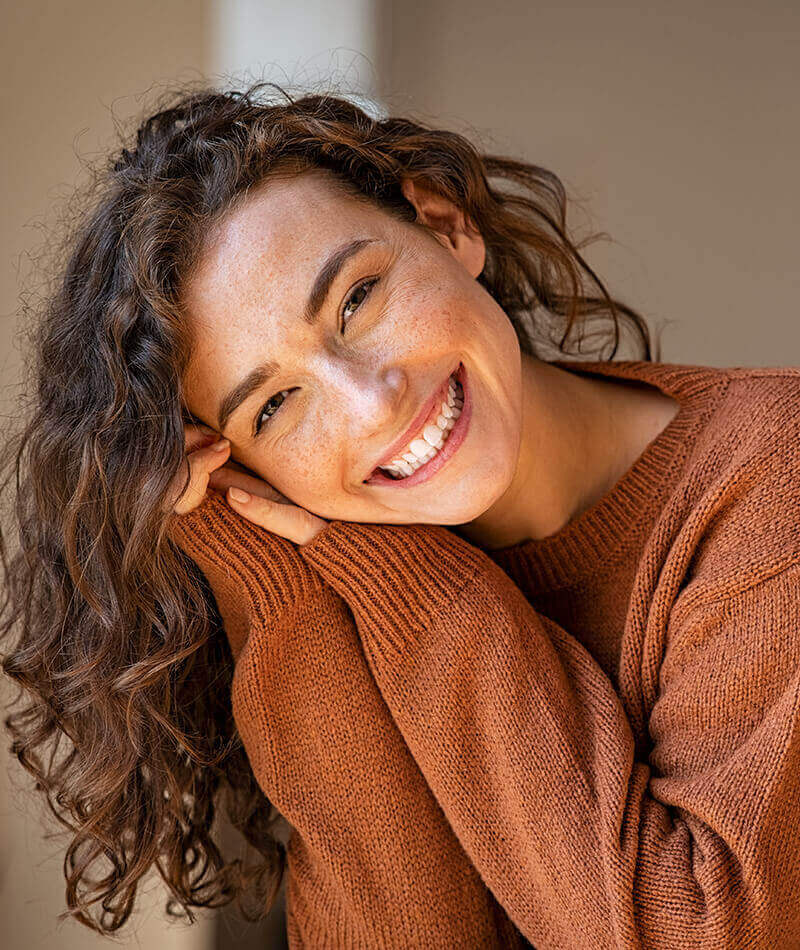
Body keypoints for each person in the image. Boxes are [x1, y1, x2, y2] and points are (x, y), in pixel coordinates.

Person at [2, 81, 799, 948]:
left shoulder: (770, 473)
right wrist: (275, 588)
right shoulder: (339, 594)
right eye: (274, 408)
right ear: (237, 462)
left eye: (357, 298)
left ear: (446, 224)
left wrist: (420, 593)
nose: (370, 405)